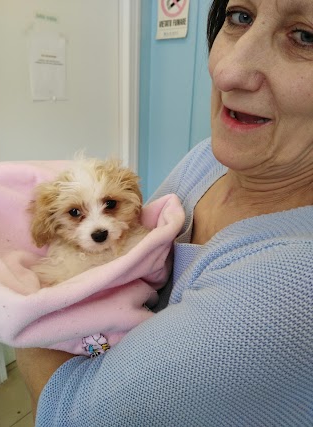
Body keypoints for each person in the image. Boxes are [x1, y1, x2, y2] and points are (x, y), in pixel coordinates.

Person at [16, 0, 313, 425]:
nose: (226, 71)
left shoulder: (291, 287)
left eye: (305, 36)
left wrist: (26, 316)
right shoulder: (209, 159)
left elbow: (73, 415)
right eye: (239, 16)